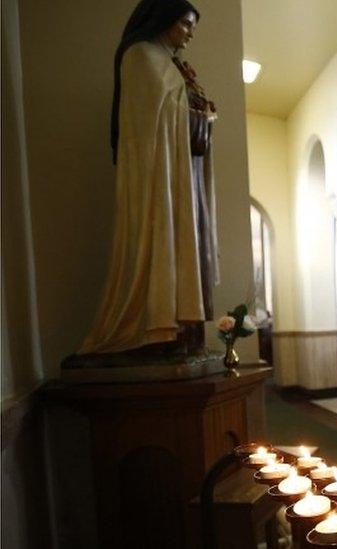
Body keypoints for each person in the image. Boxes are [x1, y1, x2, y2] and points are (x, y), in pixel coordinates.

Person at [78, 0, 218, 355]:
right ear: (165, 18)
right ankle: (154, 328)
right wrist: (194, 115)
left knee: (191, 238)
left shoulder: (170, 64)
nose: (189, 33)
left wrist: (202, 117)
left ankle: (182, 331)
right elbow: (148, 126)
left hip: (184, 174)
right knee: (160, 237)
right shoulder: (140, 56)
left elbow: (180, 112)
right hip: (158, 176)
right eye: (186, 24)